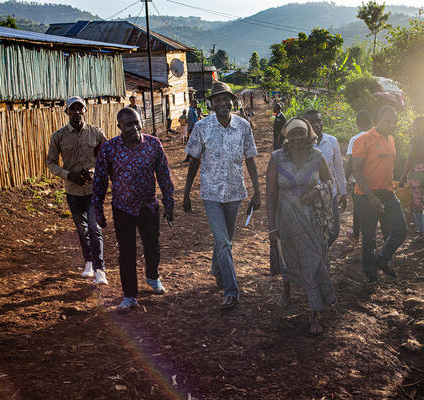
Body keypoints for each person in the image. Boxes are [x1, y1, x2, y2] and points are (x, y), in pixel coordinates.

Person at [183, 80, 261, 311]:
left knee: (224, 239)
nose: (222, 103)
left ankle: (217, 270)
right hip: (211, 193)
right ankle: (231, 291)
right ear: (211, 104)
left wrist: (257, 191)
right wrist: (186, 194)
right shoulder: (201, 127)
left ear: (232, 101)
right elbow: (194, 161)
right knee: (224, 242)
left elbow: (250, 159)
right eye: (217, 100)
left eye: (226, 99)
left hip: (235, 191)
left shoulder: (244, 126)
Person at [92, 107, 174, 311]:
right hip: (123, 208)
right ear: (119, 126)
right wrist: (98, 210)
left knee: (152, 246)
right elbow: (100, 180)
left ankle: (153, 277)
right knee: (126, 252)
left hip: (148, 205)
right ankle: (129, 295)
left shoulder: (153, 144)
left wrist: (169, 202)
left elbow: (164, 174)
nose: (135, 127)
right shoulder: (109, 149)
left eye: (137, 122)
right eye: (129, 124)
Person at [266, 117, 336, 335]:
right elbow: (271, 194)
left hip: (312, 220)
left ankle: (314, 314)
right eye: (293, 133)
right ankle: (286, 290)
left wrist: (317, 191)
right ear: (286, 135)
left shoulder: (317, 156)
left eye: (301, 133)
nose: (297, 137)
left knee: (314, 263)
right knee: (289, 258)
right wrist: (271, 227)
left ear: (309, 134)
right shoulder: (277, 158)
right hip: (285, 220)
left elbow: (329, 182)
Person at [46, 96, 108, 284]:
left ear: (85, 111)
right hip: (73, 189)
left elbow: (107, 156)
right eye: (73, 109)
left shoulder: (96, 133)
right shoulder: (59, 136)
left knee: (93, 226)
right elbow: (50, 162)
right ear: (67, 112)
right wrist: (68, 174)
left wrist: (94, 170)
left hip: (93, 189)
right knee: (82, 229)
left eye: (80, 108)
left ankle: (99, 269)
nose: (77, 112)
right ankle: (88, 261)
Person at [352, 106, 407, 284]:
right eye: (387, 121)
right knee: (369, 238)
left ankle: (382, 257)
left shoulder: (391, 139)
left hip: (388, 194)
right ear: (378, 120)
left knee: (400, 229)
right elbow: (357, 171)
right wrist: (371, 197)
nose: (391, 125)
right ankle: (370, 273)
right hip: (366, 195)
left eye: (394, 122)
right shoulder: (364, 139)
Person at [304, 110, 347, 247]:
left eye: (318, 121)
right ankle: (318, 257)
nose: (316, 124)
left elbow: (338, 168)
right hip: (310, 196)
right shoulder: (301, 145)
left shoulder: (331, 141)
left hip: (330, 193)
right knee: (313, 230)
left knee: (333, 231)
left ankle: (321, 252)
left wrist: (344, 191)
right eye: (312, 122)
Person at [345, 110, 373, 242]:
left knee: (358, 206)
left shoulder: (355, 139)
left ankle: (356, 234)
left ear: (357, 124)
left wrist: (345, 177)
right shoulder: (376, 136)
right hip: (375, 178)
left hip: (359, 179)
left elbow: (351, 161)